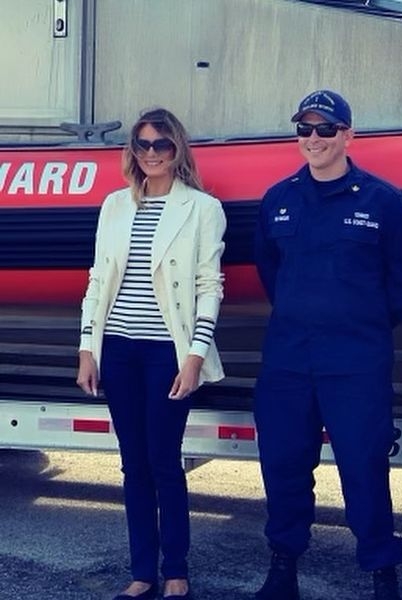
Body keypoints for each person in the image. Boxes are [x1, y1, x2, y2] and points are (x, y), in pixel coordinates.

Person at [253, 89, 402, 600]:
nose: (313, 139)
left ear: (348, 135)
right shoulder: (278, 199)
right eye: (304, 129)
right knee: (283, 467)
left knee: (363, 467)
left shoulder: (383, 202)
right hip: (288, 360)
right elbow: (271, 272)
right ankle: (283, 567)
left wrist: (362, 325)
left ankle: (381, 572)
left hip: (355, 364)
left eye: (324, 129)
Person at [76, 108, 226, 600]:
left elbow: (209, 286)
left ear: (177, 148)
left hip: (168, 351)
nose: (152, 154)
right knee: (132, 464)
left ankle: (176, 569)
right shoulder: (115, 206)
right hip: (118, 348)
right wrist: (86, 348)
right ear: (132, 152)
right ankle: (143, 571)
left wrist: (195, 355)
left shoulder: (202, 209)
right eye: (142, 145)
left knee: (164, 460)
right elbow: (98, 281)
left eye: (161, 144)